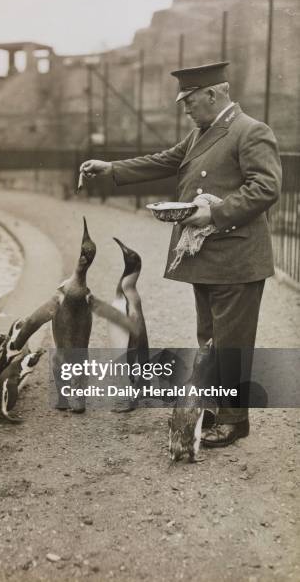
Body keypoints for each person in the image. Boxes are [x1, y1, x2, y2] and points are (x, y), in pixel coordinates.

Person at [79, 61, 282, 447]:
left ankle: (235, 421)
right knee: (210, 336)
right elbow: (165, 160)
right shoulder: (201, 133)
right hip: (209, 257)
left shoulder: (250, 131)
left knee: (232, 340)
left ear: (213, 94)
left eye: (189, 100)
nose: (185, 108)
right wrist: (112, 167)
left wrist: (214, 212)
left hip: (237, 257)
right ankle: (216, 406)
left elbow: (266, 188)